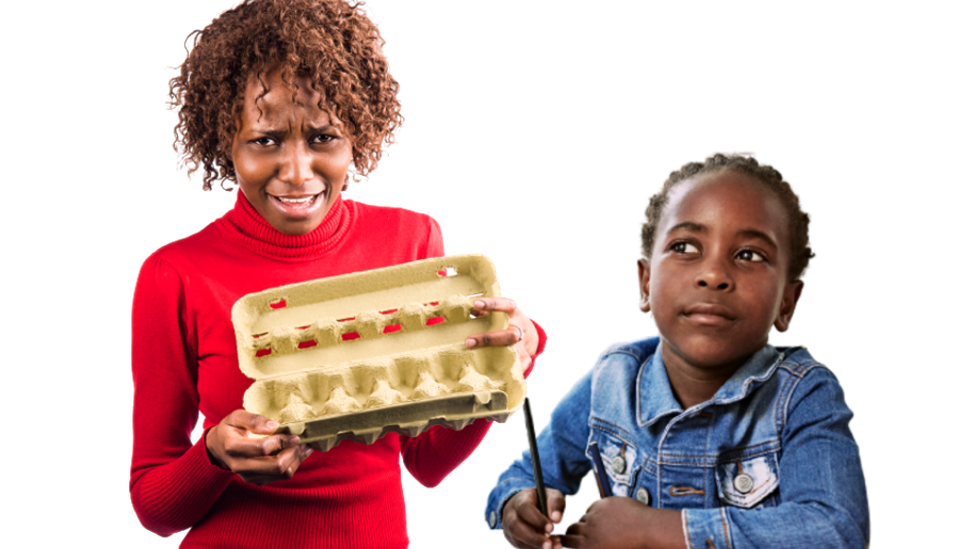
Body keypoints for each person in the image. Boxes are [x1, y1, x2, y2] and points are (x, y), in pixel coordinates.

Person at [129, 1, 544, 547]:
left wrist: (511, 361)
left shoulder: (411, 243)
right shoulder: (175, 274)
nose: (298, 171)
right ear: (223, 139)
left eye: (323, 137)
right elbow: (154, 504)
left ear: (357, 133)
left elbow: (424, 462)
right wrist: (213, 455)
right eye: (265, 140)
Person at [487, 154, 869, 549]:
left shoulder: (803, 396)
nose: (714, 275)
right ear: (645, 282)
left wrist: (654, 532)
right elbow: (525, 477)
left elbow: (835, 531)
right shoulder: (613, 381)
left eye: (749, 255)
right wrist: (520, 506)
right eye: (685, 246)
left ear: (787, 302)